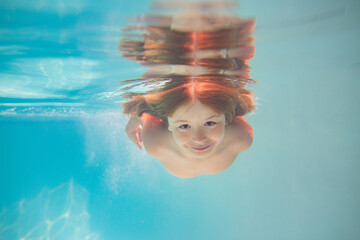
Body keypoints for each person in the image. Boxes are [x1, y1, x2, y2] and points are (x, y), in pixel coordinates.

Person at [123, 77, 254, 178]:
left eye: (210, 123)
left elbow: (235, 104)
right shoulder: (156, 143)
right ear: (168, 124)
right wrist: (133, 120)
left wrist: (133, 121)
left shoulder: (241, 137)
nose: (199, 138)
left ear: (226, 119)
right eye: (184, 126)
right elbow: (143, 111)